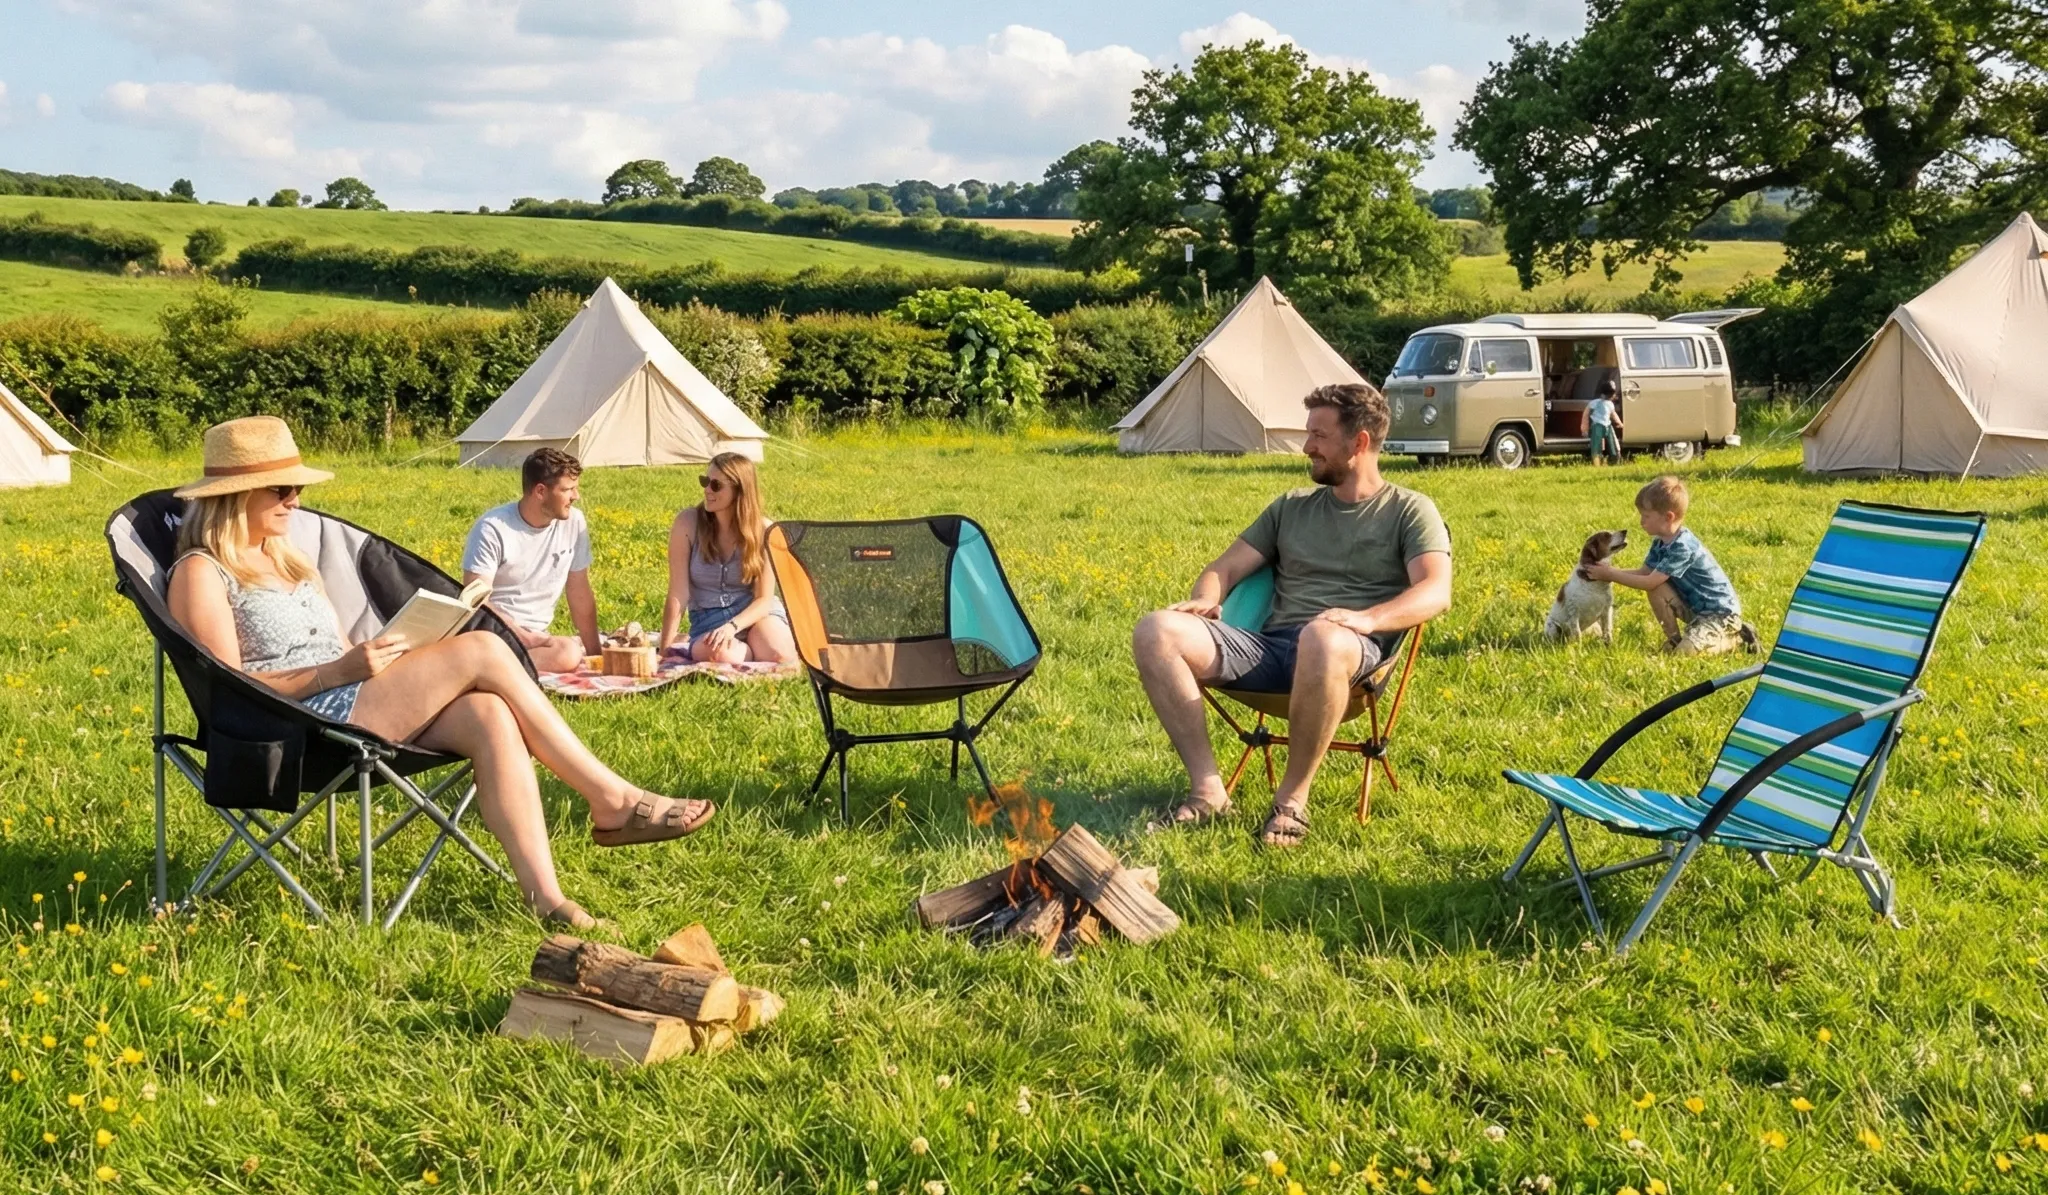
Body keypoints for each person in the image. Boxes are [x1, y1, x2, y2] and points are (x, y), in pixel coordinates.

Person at [165, 417, 713, 930]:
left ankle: (547, 898)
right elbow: (228, 685)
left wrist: (389, 651)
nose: (295, 500)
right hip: (292, 720)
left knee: (490, 714)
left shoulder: (289, 560)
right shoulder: (200, 572)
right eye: (281, 490)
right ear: (233, 498)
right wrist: (336, 671)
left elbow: (340, 647)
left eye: (297, 489)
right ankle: (610, 799)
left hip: (352, 694)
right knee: (482, 648)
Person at [1131, 383, 1453, 847]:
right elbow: (1224, 567)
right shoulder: (1291, 507)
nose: (1307, 447)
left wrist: (1367, 620)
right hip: (1272, 648)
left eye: (1319, 436)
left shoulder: (1409, 510)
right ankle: (1208, 791)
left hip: (1348, 651)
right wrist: (1207, 596)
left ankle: (1291, 802)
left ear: (1358, 443)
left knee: (1321, 636)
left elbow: (1435, 591)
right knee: (1156, 630)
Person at [1585, 475, 1758, 656]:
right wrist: (1604, 574)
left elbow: (1648, 581)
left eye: (1646, 516)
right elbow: (1645, 574)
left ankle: (1737, 639)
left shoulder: (1682, 547)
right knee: (1657, 588)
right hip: (1696, 609)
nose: (1641, 522)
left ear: (1668, 517)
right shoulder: (1661, 542)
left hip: (1720, 615)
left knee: (1685, 655)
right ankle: (1675, 639)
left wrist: (1610, 574)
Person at [462, 448, 600, 674]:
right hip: (492, 634)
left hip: (537, 639)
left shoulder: (574, 523)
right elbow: (475, 599)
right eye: (568, 490)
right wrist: (521, 634)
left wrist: (596, 655)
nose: (576, 496)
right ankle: (484, 665)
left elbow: (580, 592)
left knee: (569, 650)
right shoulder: (493, 528)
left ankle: (491, 668)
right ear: (540, 491)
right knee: (569, 652)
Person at [657, 451, 798, 664]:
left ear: (739, 490)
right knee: (721, 656)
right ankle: (747, 654)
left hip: (756, 616)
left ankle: (755, 648)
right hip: (709, 621)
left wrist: (732, 627)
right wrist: (665, 649)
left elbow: (763, 599)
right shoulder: (688, 523)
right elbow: (678, 593)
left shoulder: (764, 530)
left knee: (780, 656)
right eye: (705, 481)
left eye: (716, 485)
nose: (707, 490)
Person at [1587, 379, 1623, 465]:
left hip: (1608, 424)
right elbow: (1587, 413)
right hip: (1597, 424)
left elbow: (1613, 414)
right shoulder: (1594, 403)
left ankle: (1615, 458)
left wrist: (1619, 422)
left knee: (1613, 441)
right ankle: (1597, 461)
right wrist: (1584, 425)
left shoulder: (1610, 404)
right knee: (1596, 444)